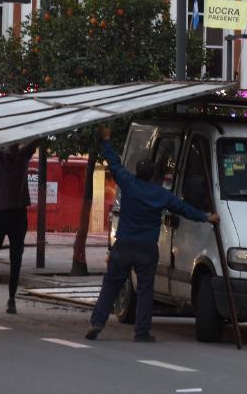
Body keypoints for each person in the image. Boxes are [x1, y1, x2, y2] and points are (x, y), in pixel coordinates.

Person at [86, 126, 217, 343]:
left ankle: (97, 323)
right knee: (146, 290)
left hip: (124, 245)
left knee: (111, 285)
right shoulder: (161, 195)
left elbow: (114, 163)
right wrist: (206, 217)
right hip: (146, 248)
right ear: (154, 175)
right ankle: (142, 331)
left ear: (137, 172)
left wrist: (106, 140)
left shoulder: (128, 184)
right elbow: (184, 209)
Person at [0, 140, 40, 315]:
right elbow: (39, 138)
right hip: (18, 214)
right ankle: (11, 300)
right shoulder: (23, 154)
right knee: (16, 260)